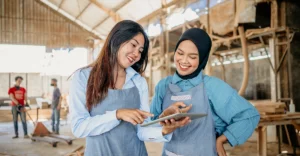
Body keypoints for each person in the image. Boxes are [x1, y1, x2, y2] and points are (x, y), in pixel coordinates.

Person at [69, 20, 190, 156]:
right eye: (133, 45)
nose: (137, 54)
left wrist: (164, 128)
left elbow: (142, 131)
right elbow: (78, 127)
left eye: (140, 51)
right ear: (116, 39)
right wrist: (117, 114)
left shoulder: (138, 82)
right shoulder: (84, 77)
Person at [150, 28, 260, 156]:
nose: (184, 61)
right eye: (180, 53)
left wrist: (222, 140)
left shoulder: (212, 86)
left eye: (192, 57)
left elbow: (249, 116)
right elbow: (150, 126)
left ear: (202, 59)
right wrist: (163, 120)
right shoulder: (163, 86)